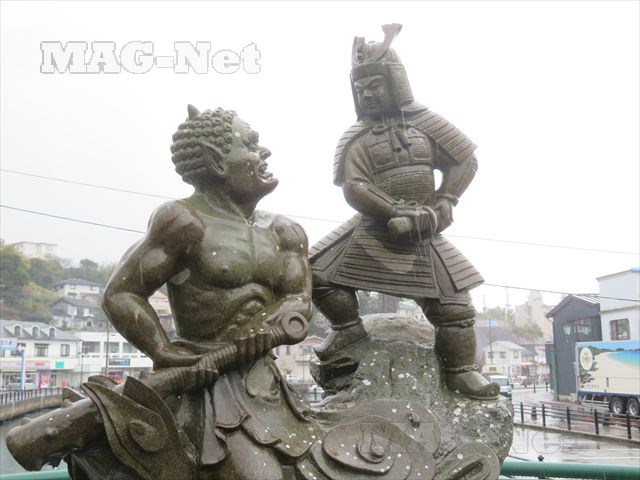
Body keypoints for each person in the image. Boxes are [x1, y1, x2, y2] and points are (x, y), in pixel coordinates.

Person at [102, 106, 314, 479]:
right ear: (216, 161)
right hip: (202, 382)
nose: (264, 152)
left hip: (264, 380)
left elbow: (299, 300)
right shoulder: (184, 221)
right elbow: (122, 293)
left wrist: (261, 326)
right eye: (251, 144)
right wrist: (162, 350)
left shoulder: (285, 230)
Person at [310, 24, 499, 399]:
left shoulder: (426, 124)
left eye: (375, 86)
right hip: (373, 227)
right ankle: (348, 330)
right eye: (360, 89)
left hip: (424, 232)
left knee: (456, 308)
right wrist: (392, 208)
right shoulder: (356, 137)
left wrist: (446, 199)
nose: (367, 95)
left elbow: (465, 159)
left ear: (395, 83)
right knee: (315, 272)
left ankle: (460, 370)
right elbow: (354, 185)